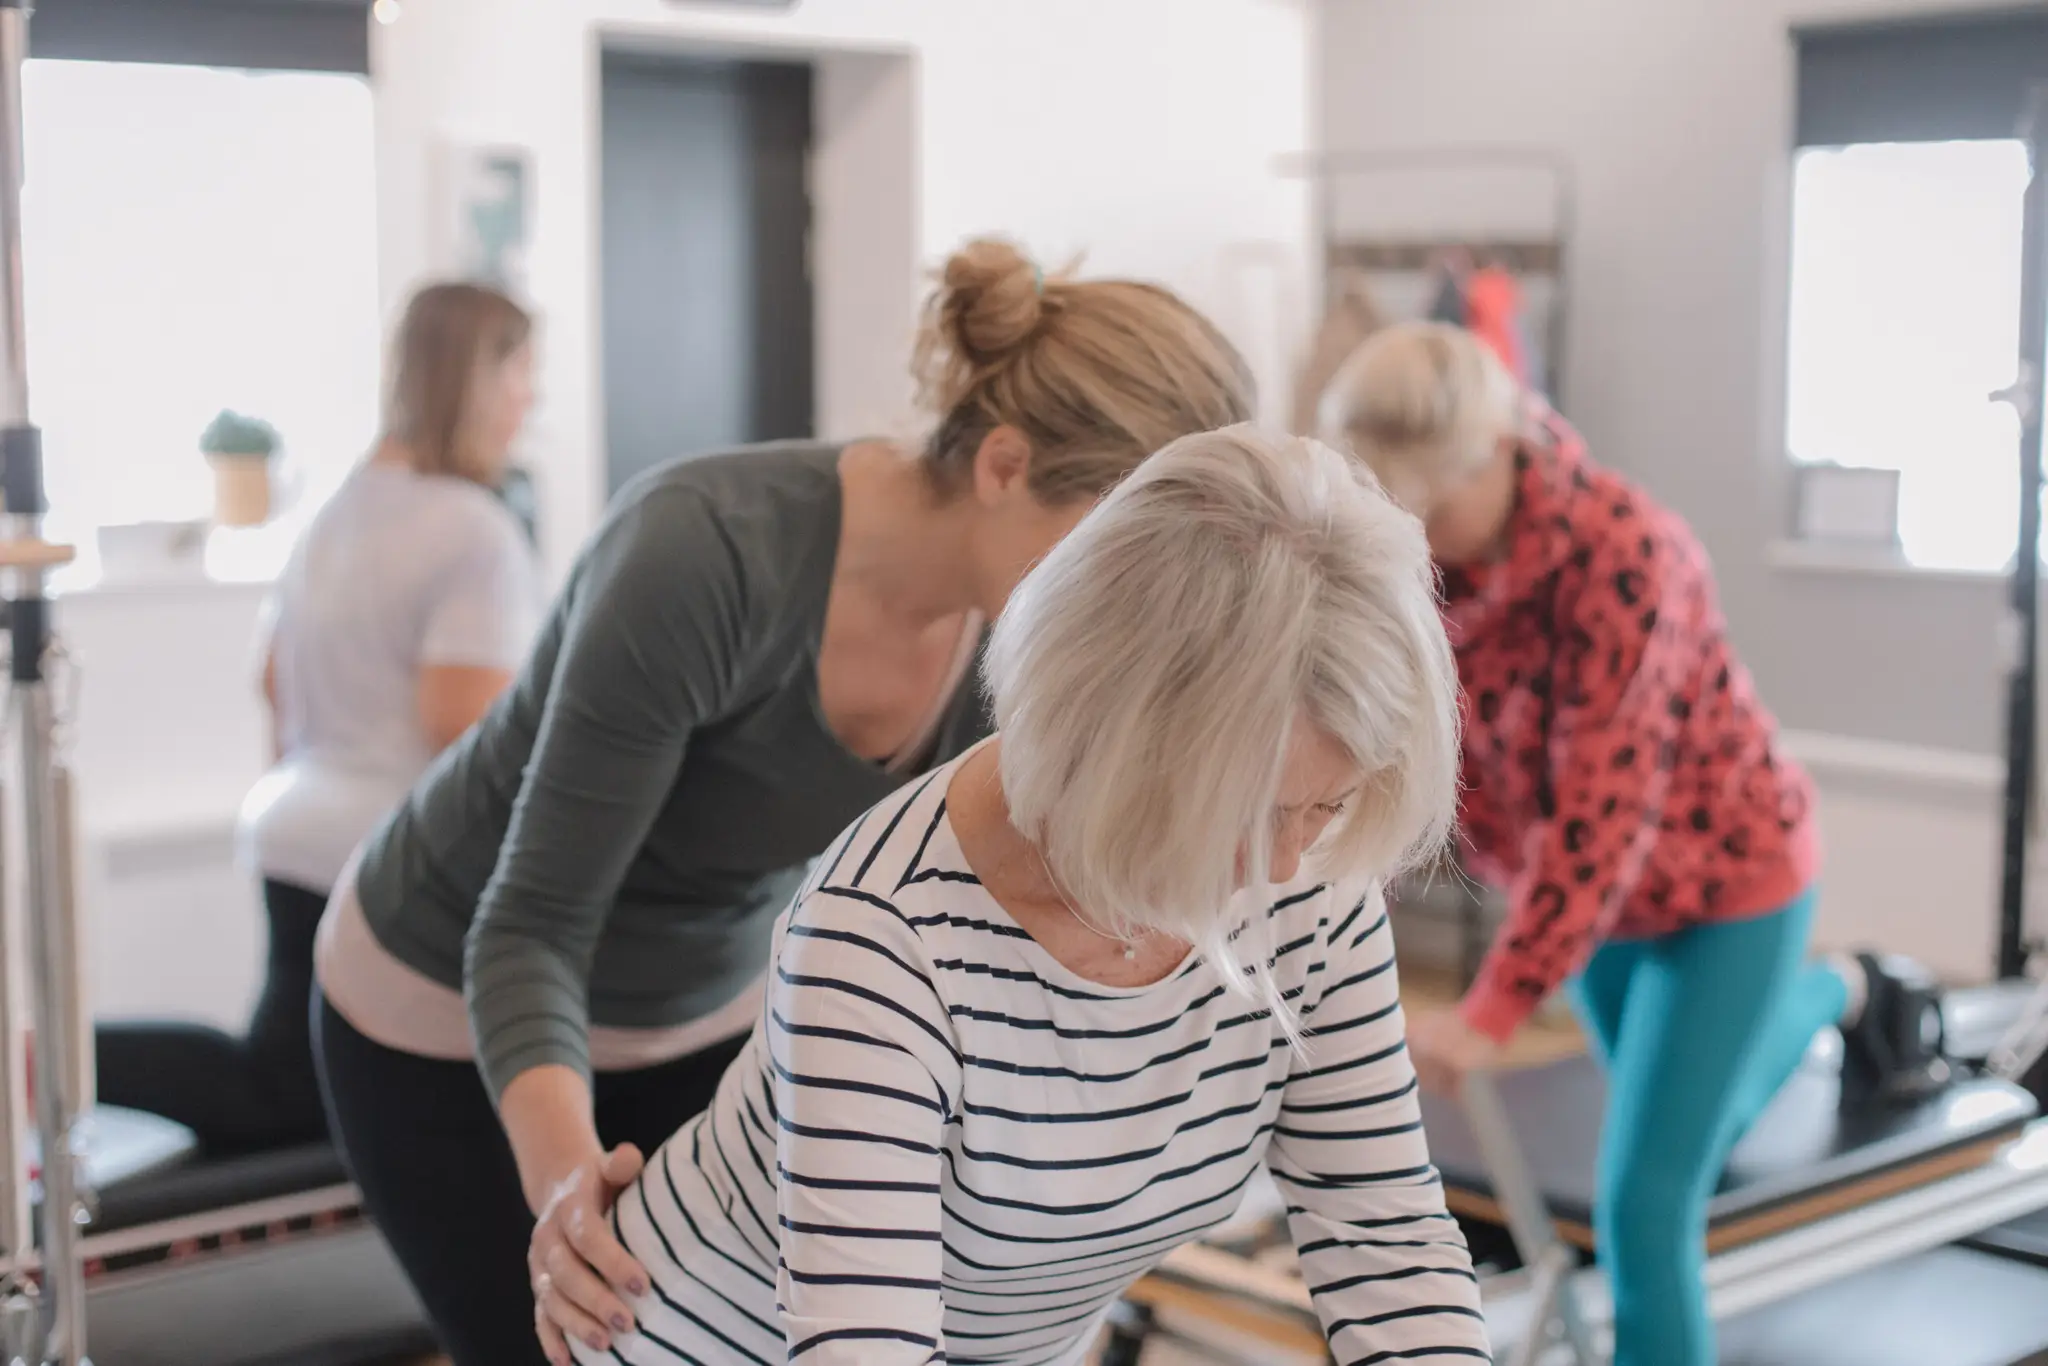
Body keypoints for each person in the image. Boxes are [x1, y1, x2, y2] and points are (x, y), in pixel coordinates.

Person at [310, 239, 1260, 1366]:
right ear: (1004, 464)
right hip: (446, 1005)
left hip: (702, 1005)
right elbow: (525, 930)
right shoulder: (703, 551)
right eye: (1123, 554)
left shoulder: (1020, 639)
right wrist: (566, 1183)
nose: (1137, 608)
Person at [534, 424, 1491, 1366]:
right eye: (1250, 818)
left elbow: (1386, 1244)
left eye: (1326, 805)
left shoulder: (1317, 881)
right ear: (1114, 749)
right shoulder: (881, 940)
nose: (1287, 868)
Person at [1321, 320, 1943, 1366]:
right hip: (1596, 909)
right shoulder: (1435, 557)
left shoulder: (1624, 555)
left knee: (1644, 1206)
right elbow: (1406, 753)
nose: (1414, 531)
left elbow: (1599, 824)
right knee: (1698, 1129)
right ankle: (1843, 990)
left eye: (1426, 502)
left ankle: (1829, 987)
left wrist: (1493, 1006)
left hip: (1728, 885)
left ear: (1494, 452)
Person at [94, 282, 541, 1156]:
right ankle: (57, 1061)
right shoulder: (472, 528)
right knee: (288, 1096)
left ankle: (60, 1060)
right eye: (524, 374)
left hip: (298, 823)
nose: (532, 401)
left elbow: (271, 681)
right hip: (388, 857)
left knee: (287, 1082)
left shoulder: (337, 511)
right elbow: (461, 722)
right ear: (478, 380)